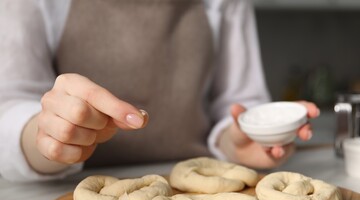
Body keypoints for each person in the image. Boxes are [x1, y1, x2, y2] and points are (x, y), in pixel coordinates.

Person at [0, 0, 319, 182]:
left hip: (203, 181)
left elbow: (236, 103)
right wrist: (48, 137)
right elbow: (9, 104)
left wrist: (240, 141)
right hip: (65, 190)